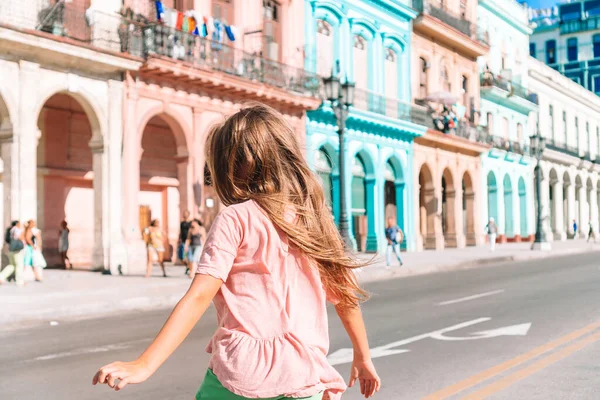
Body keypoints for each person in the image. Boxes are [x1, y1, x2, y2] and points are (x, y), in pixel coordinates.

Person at [92, 104, 381, 399]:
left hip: (244, 375)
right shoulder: (314, 219)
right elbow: (345, 296)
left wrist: (145, 364)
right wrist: (363, 356)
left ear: (233, 164)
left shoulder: (237, 217)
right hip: (304, 374)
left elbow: (199, 296)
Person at [0, 221, 25, 286]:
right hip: (17, 250)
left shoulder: (10, 230)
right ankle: (19, 281)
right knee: (19, 265)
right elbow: (20, 237)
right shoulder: (16, 229)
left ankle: (1, 276)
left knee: (12, 265)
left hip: (11, 249)